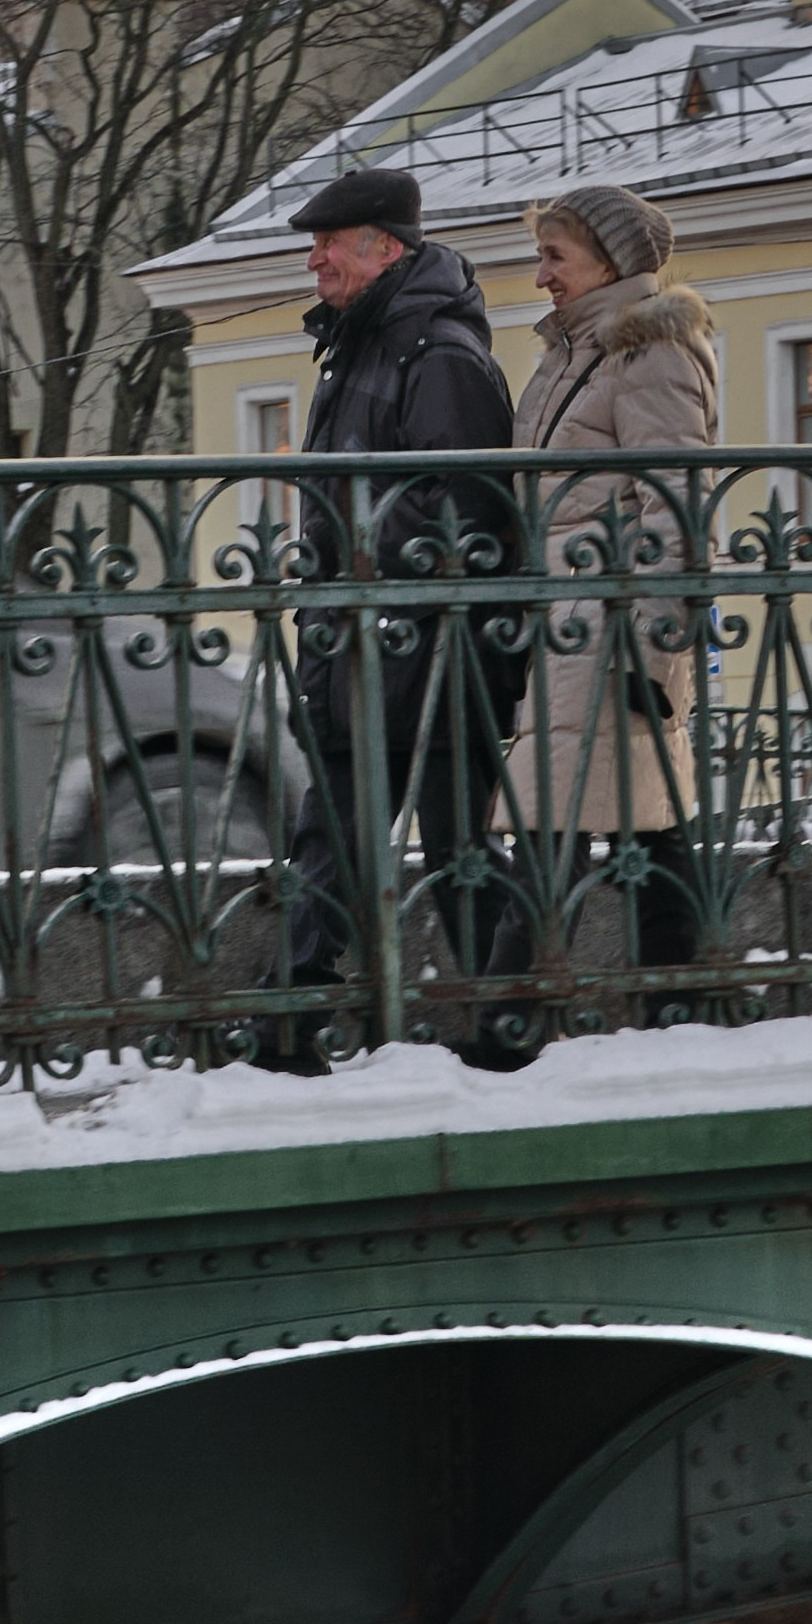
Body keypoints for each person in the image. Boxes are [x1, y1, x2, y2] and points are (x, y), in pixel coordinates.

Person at [268, 164, 516, 1072]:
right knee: (346, 826)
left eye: (329, 244)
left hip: (424, 643)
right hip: (365, 636)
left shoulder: (435, 351)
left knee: (440, 843)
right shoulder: (362, 343)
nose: (314, 261)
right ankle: (293, 1015)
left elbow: (467, 503)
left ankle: (509, 1014)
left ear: (388, 247)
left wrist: (368, 581)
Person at [480, 180, 719, 1065]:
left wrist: (656, 633)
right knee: (647, 822)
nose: (540, 274)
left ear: (609, 264)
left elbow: (674, 499)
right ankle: (683, 1010)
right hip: (567, 612)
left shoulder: (650, 350)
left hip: (611, 617)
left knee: (556, 818)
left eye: (556, 257)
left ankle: (504, 1029)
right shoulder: (573, 351)